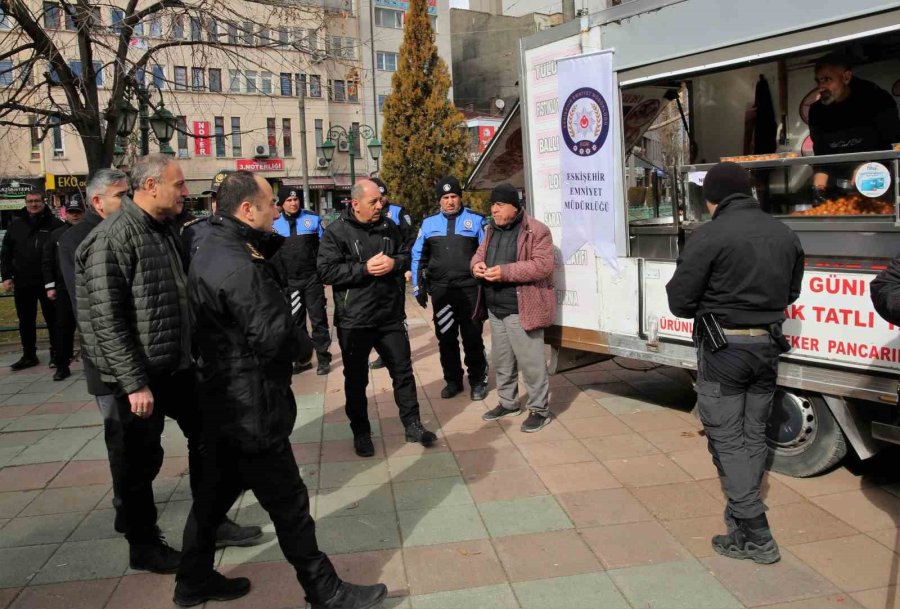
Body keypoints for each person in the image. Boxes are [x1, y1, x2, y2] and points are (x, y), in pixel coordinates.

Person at [175, 170, 387, 609]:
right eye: (270, 203)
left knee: (212, 499)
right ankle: (323, 590)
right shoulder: (239, 265)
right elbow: (274, 337)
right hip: (248, 404)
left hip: (220, 398)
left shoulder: (211, 241)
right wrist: (302, 344)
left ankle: (192, 581)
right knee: (289, 503)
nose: (278, 208)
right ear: (247, 209)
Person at [75, 155, 261, 574]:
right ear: (152, 185)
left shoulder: (163, 231)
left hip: (176, 366)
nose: (185, 192)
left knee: (210, 439)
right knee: (137, 462)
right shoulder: (113, 239)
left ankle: (211, 519)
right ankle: (144, 545)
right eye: (178, 185)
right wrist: (134, 383)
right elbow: (105, 319)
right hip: (139, 377)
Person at [665, 162, 804, 565]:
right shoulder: (784, 232)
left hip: (724, 350)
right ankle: (741, 525)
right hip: (766, 348)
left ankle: (756, 532)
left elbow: (681, 301)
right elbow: (791, 290)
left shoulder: (709, 235)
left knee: (726, 438)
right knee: (753, 434)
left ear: (713, 198)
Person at [318, 179, 437, 457]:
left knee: (403, 372)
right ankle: (361, 432)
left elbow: (409, 254)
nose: (380, 206)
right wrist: (364, 269)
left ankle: (412, 424)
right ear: (355, 204)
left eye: (381, 201)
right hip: (354, 320)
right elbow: (326, 271)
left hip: (390, 315)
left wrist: (395, 263)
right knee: (356, 380)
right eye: (373, 202)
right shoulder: (336, 232)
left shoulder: (389, 226)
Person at [58, 169, 129, 529]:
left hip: (136, 353)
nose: (127, 202)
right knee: (119, 434)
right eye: (121, 195)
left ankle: (135, 498)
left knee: (144, 440)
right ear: (97, 201)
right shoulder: (76, 240)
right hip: (106, 359)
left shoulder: (128, 228)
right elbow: (90, 305)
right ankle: (126, 506)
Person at [471, 184, 555, 432]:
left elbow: (542, 266)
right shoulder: (490, 229)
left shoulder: (536, 231)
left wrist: (506, 272)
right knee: (502, 360)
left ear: (513, 206)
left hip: (522, 308)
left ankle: (540, 410)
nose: (493, 210)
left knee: (531, 363)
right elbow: (478, 254)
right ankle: (508, 403)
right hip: (496, 308)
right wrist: (475, 265)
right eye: (492, 205)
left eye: (499, 205)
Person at [412, 176, 488, 400]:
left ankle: (477, 381)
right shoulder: (428, 224)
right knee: (446, 337)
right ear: (439, 201)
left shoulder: (475, 220)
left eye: (454, 196)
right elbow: (418, 256)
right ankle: (453, 380)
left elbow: (486, 254)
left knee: (472, 337)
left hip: (470, 289)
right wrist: (418, 287)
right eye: (445, 197)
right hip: (442, 292)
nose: (450, 201)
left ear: (460, 197)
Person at [808, 52, 900, 202]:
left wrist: (868, 167)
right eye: (818, 81)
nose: (821, 87)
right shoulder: (817, 111)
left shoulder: (877, 100)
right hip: (837, 190)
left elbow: (893, 146)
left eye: (827, 80)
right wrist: (818, 188)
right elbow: (821, 155)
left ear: (846, 77)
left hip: (877, 185)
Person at [1, 191, 64, 370]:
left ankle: (56, 354)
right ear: (26, 203)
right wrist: (6, 276)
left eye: (37, 201)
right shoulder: (16, 225)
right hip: (23, 281)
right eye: (30, 201)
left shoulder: (55, 224)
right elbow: (5, 253)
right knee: (25, 320)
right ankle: (29, 355)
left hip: (48, 282)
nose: (34, 204)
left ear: (43, 202)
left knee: (53, 319)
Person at [272, 189, 332, 375]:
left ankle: (323, 358)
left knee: (318, 320)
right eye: (289, 200)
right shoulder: (274, 225)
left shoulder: (312, 220)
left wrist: (323, 275)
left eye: (295, 199)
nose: (293, 203)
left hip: (312, 280)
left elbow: (324, 250)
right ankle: (303, 360)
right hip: (290, 283)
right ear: (281, 203)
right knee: (296, 324)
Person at [367, 177, 414, 370]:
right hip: (373, 274)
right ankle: (383, 354)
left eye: (383, 195)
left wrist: (405, 266)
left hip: (395, 273)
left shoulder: (398, 212)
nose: (381, 200)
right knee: (378, 316)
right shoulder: (368, 216)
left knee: (397, 315)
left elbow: (409, 239)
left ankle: (403, 354)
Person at [41, 195, 85, 380]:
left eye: (78, 212)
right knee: (63, 328)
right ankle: (62, 365)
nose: (75, 216)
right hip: (64, 288)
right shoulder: (56, 235)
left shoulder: (91, 232)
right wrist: (50, 286)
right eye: (71, 212)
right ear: (65, 214)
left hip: (86, 287)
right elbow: (47, 261)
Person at [182, 170, 232, 260]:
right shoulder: (193, 232)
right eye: (214, 198)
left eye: (223, 198)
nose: (216, 203)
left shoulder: (251, 233)